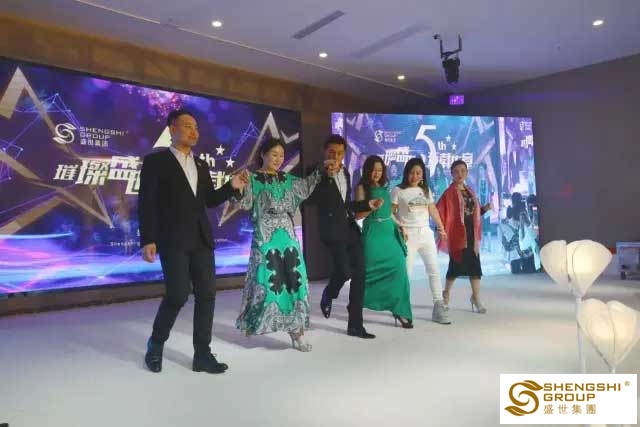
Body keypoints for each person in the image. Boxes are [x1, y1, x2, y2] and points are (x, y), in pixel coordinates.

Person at [138, 109, 248, 374]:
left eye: (196, 127)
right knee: (177, 294)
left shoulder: (201, 165)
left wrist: (231, 186)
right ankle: (156, 344)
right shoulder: (156, 161)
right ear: (172, 129)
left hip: (201, 238)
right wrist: (148, 238)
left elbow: (209, 200)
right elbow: (146, 202)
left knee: (207, 295)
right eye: (187, 126)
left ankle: (202, 354)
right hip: (172, 238)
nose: (194, 131)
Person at [233, 137, 324, 351]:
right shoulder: (252, 179)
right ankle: (254, 321)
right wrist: (237, 188)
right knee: (264, 282)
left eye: (282, 155)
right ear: (262, 155)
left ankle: (297, 333)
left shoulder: (288, 179)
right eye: (274, 154)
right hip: (265, 237)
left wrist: (321, 169)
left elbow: (306, 186)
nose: (278, 159)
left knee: (295, 281)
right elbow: (242, 202)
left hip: (288, 236)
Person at [308, 135, 383, 339]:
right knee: (344, 270)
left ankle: (355, 325)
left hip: (349, 227)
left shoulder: (346, 173)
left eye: (340, 153)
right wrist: (324, 175)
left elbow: (345, 204)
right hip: (331, 230)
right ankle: (329, 293)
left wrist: (367, 204)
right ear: (325, 152)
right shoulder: (314, 172)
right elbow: (309, 200)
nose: (336, 157)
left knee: (360, 273)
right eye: (332, 152)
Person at [356, 155, 413, 328]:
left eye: (380, 170)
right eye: (374, 170)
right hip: (373, 232)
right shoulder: (361, 188)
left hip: (389, 231)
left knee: (400, 268)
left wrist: (400, 225)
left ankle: (400, 309)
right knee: (368, 273)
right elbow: (358, 215)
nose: (377, 173)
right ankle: (356, 305)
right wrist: (371, 207)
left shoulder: (385, 187)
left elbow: (388, 213)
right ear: (367, 171)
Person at [391, 158, 450, 324]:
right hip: (408, 235)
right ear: (406, 173)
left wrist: (441, 227)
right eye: (412, 173)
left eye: (418, 173)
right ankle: (400, 307)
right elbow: (390, 213)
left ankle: (438, 306)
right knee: (406, 273)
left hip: (425, 233)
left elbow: (432, 209)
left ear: (423, 174)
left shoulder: (425, 190)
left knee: (434, 270)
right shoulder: (398, 190)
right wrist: (399, 226)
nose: (415, 176)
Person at [437, 160, 491, 314]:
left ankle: (476, 298)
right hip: (457, 235)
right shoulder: (448, 193)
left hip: (472, 235)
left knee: (475, 268)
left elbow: (474, 213)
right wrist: (441, 229)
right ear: (451, 174)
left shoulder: (470, 192)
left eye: (463, 171)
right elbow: (439, 212)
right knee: (454, 267)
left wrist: (484, 209)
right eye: (456, 171)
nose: (460, 174)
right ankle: (446, 294)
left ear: (467, 173)